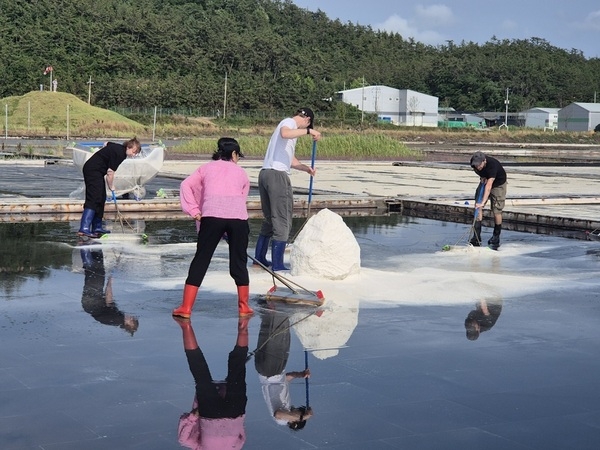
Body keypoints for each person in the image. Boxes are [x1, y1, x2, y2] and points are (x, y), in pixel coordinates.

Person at [173, 137, 253, 318]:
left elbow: (186, 185)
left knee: (201, 260)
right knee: (239, 262)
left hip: (212, 217)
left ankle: (185, 308)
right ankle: (244, 307)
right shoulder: (241, 173)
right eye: (238, 155)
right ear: (233, 154)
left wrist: (194, 211)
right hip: (238, 219)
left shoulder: (206, 168)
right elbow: (241, 198)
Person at [254, 108, 322, 271]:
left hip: (265, 173)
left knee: (270, 219)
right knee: (282, 219)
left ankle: (259, 258)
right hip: (277, 176)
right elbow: (286, 133)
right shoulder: (289, 123)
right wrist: (308, 131)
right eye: (308, 124)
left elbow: (289, 159)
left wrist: (306, 168)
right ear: (307, 120)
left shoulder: (286, 128)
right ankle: (277, 264)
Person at [174, 316, 250, 449]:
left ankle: (244, 322)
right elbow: (183, 440)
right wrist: (192, 417)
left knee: (237, 369)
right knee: (200, 373)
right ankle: (185, 326)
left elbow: (241, 438)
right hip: (211, 416)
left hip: (233, 413)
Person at [255, 307, 313, 430]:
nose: (297, 409)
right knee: (271, 335)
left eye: (298, 412)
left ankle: (279, 310)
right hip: (269, 371)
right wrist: (301, 374)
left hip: (271, 371)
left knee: (279, 337)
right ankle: (269, 309)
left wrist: (302, 417)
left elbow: (278, 414)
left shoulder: (282, 420)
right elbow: (285, 379)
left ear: (293, 422)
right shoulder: (286, 406)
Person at [78, 138, 141, 238]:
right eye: (134, 152)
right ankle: (84, 228)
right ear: (129, 147)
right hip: (92, 170)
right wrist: (111, 187)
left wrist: (105, 154)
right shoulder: (120, 154)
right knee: (94, 197)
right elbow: (110, 173)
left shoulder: (118, 147)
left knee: (101, 197)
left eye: (136, 153)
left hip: (97, 172)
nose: (134, 155)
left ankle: (97, 227)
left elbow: (106, 143)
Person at [80, 247, 139, 335]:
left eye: (131, 320)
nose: (131, 317)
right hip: (91, 305)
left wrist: (110, 281)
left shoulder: (117, 319)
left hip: (91, 303)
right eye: (133, 318)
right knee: (98, 274)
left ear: (127, 324)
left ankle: (85, 248)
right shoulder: (117, 320)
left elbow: (108, 296)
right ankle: (95, 250)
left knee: (94, 275)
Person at [469, 151, 508, 249]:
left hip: (498, 184)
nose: (478, 167)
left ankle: (496, 236)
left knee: (496, 210)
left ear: (484, 161)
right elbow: (478, 172)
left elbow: (489, 186)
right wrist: (482, 177)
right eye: (476, 165)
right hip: (485, 181)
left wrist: (483, 202)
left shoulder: (492, 165)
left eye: (479, 165)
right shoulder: (474, 164)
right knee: (477, 206)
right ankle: (476, 237)